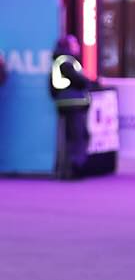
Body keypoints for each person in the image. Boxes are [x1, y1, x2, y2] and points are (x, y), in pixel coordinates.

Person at [49, 33, 92, 178]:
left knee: (71, 137)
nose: (78, 47)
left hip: (66, 103)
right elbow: (78, 80)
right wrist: (87, 82)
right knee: (76, 137)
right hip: (72, 103)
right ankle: (74, 168)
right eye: (74, 44)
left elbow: (52, 87)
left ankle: (68, 168)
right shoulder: (66, 61)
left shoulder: (60, 61)